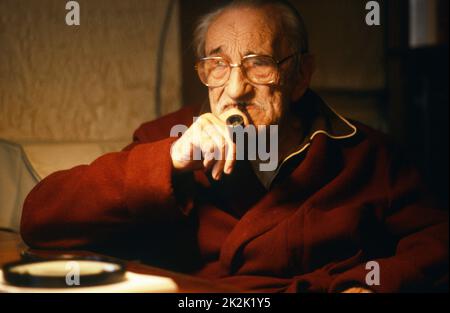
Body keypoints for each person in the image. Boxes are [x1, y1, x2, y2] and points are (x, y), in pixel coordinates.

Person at [20, 0, 448, 292]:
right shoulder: (167, 138)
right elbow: (40, 219)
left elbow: (436, 240)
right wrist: (168, 161)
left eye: (259, 64)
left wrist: (371, 283)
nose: (236, 89)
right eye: (217, 66)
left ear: (300, 75)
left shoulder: (366, 153)